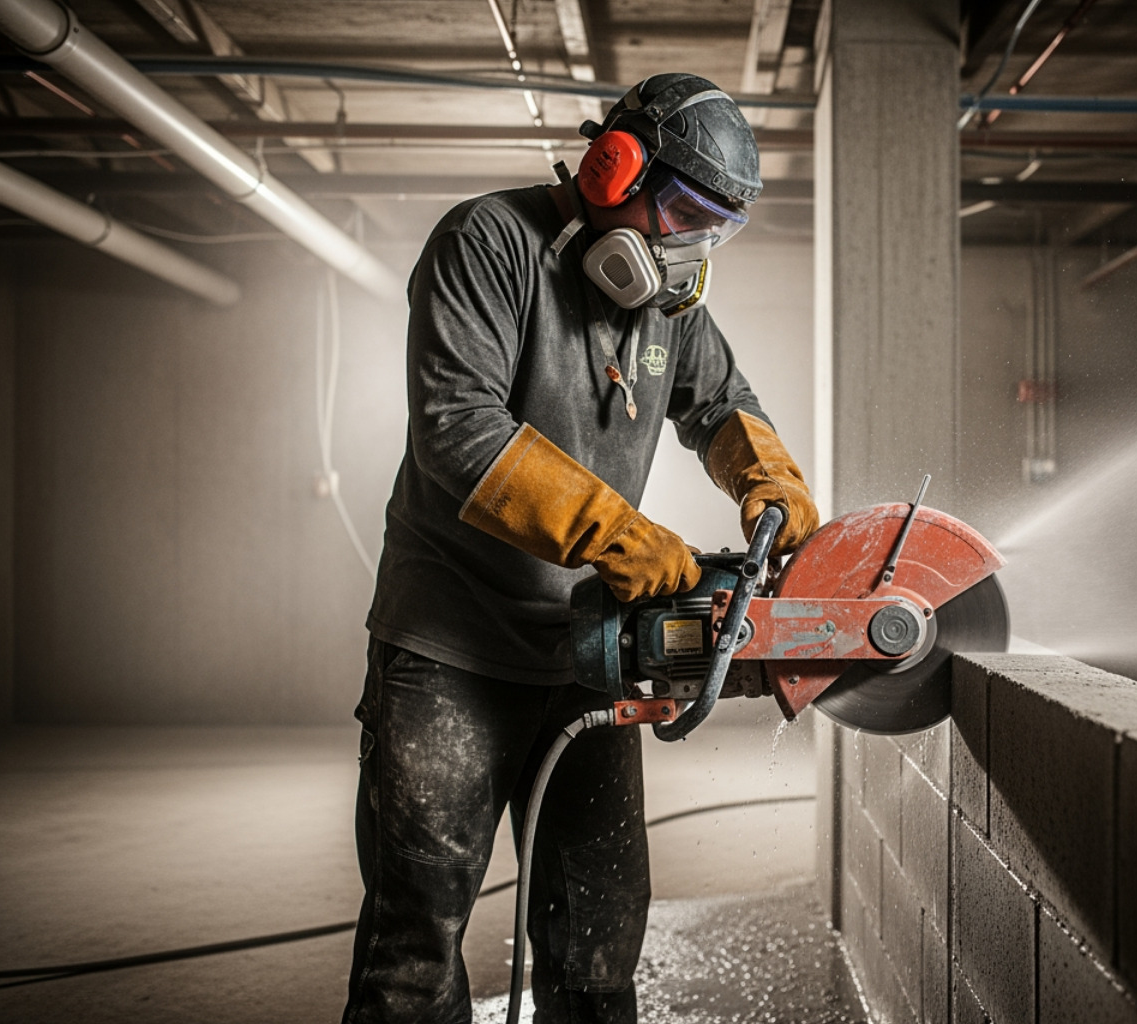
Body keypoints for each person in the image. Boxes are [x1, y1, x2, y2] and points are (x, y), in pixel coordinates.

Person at [344, 73, 820, 1024]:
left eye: (710, 232)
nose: (685, 247)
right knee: (415, 948)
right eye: (681, 212)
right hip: (450, 652)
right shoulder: (487, 244)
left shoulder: (665, 304)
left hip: (586, 649)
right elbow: (457, 429)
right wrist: (620, 534)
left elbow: (722, 404)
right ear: (616, 166)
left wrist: (770, 482)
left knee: (599, 945)